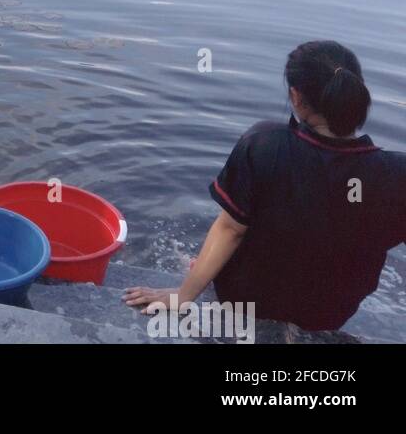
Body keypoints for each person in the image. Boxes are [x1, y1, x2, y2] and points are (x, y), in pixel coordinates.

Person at [124, 41, 406, 331]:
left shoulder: (265, 143)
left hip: (246, 300)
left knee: (231, 228)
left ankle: (197, 269)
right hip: (329, 314)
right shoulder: (397, 173)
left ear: (296, 97)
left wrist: (183, 296)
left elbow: (230, 230)